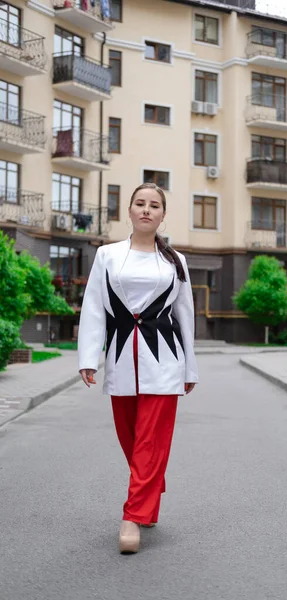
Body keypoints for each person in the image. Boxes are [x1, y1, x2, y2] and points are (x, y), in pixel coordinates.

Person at [77, 183, 199, 554]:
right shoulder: (108, 256)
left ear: (163, 215)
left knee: (150, 441)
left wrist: (189, 368)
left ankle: (132, 516)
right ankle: (150, 486)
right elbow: (95, 306)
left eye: (155, 205)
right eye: (140, 203)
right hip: (119, 356)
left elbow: (185, 316)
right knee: (130, 438)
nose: (147, 210)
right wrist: (87, 357)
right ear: (129, 211)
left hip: (164, 360)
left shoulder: (175, 260)